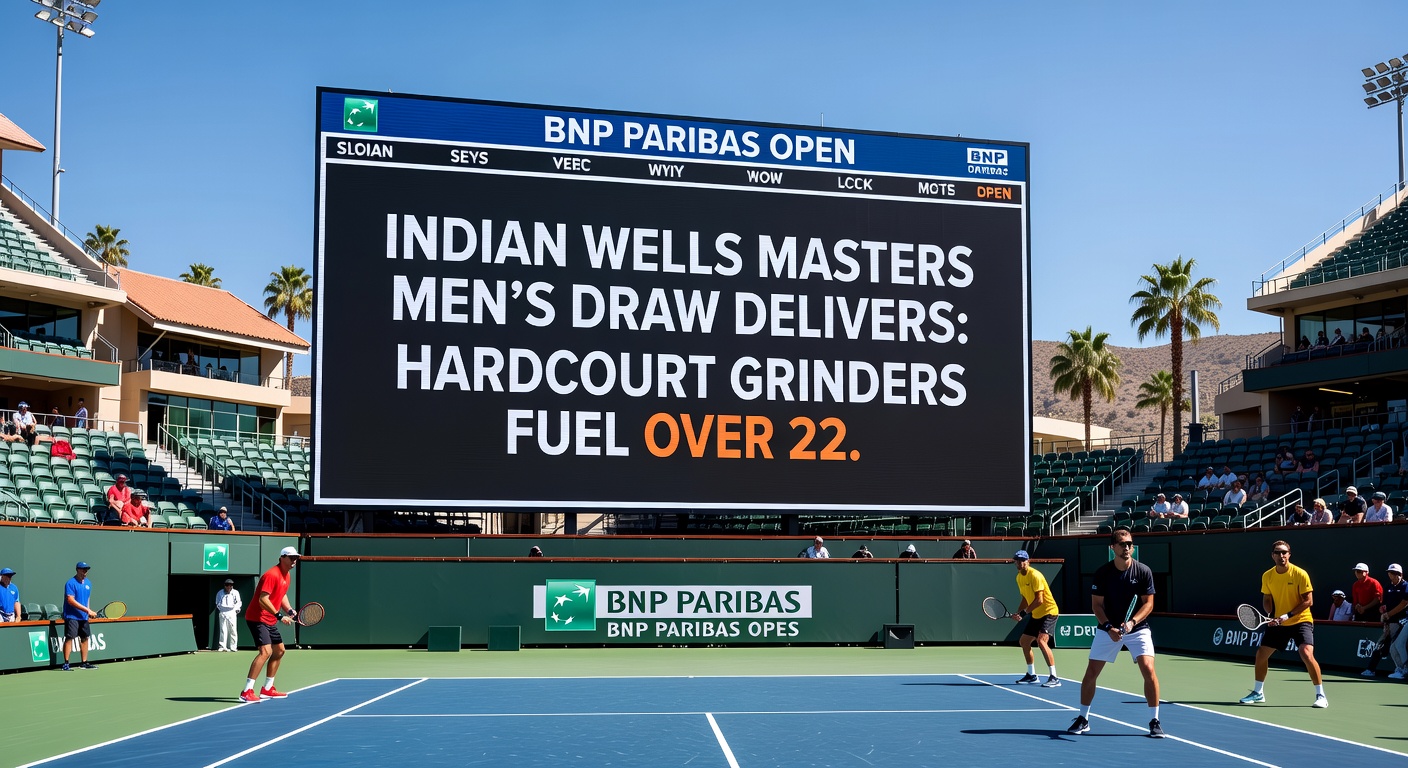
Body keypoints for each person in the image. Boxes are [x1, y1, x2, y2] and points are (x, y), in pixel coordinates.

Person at [1067, 528, 1163, 739]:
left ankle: (1154, 721)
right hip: (1108, 628)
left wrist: (1132, 622)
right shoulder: (1103, 573)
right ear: (1113, 548)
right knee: (1091, 673)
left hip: (1137, 629)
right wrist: (1109, 627)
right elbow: (1096, 606)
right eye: (1122, 544)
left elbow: (1149, 604)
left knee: (1148, 669)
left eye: (1129, 543)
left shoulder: (1143, 571)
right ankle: (1083, 718)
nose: (1127, 547)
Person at [1238, 541, 1327, 708]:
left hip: (1301, 619)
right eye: (1278, 553)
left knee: (1306, 653)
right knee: (1261, 654)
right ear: (1272, 555)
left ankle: (1321, 695)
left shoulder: (1300, 574)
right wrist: (1271, 615)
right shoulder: (1267, 576)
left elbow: (1308, 601)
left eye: (1284, 552)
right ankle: (1258, 693)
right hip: (1278, 621)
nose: (1281, 556)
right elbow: (1267, 599)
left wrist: (1287, 615)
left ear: (1289, 554)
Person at [239, 546, 299, 702]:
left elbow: (282, 594)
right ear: (282, 558)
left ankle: (267, 688)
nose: (294, 561)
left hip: (269, 619)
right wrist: (280, 616)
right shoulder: (271, 574)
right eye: (291, 557)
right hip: (257, 618)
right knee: (265, 652)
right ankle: (247, 691)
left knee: (279, 651)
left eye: (296, 558)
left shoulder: (287, 576)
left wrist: (289, 610)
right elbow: (263, 599)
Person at [1011, 550, 1061, 688]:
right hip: (1037, 614)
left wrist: (1024, 613)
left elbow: (1039, 600)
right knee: (1024, 641)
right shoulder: (1019, 577)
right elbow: (1025, 598)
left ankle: (1054, 677)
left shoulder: (1035, 575)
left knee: (1041, 641)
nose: (1020, 563)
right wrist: (1018, 612)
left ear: (1028, 562)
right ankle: (1032, 675)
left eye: (1022, 561)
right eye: (1017, 561)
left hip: (1049, 612)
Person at [61, 562, 98, 671]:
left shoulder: (89, 583)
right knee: (69, 638)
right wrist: (87, 610)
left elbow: (87, 600)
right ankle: (66, 663)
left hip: (83, 617)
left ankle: (84, 662)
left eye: (86, 569)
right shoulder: (70, 583)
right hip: (72, 616)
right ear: (77, 570)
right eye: (83, 569)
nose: (85, 572)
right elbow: (70, 600)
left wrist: (88, 612)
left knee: (85, 638)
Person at [1375, 565, 1408, 679]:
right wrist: (1383, 611)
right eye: (1391, 573)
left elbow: (1404, 603)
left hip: (1403, 621)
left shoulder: (1405, 586)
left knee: (1397, 645)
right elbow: (1384, 604)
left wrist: (1388, 614)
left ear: (1401, 574)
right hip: (1392, 622)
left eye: (1396, 573)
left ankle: (1404, 670)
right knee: (1394, 647)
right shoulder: (1388, 587)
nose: (1393, 576)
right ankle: (1401, 669)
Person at [215, 579, 242, 652]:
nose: (229, 587)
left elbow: (238, 602)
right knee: (223, 629)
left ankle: (233, 646)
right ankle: (222, 646)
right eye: (227, 585)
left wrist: (236, 610)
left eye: (231, 585)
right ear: (225, 585)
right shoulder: (220, 593)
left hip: (232, 612)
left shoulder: (235, 592)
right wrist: (222, 609)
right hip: (223, 612)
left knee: (233, 630)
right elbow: (217, 602)